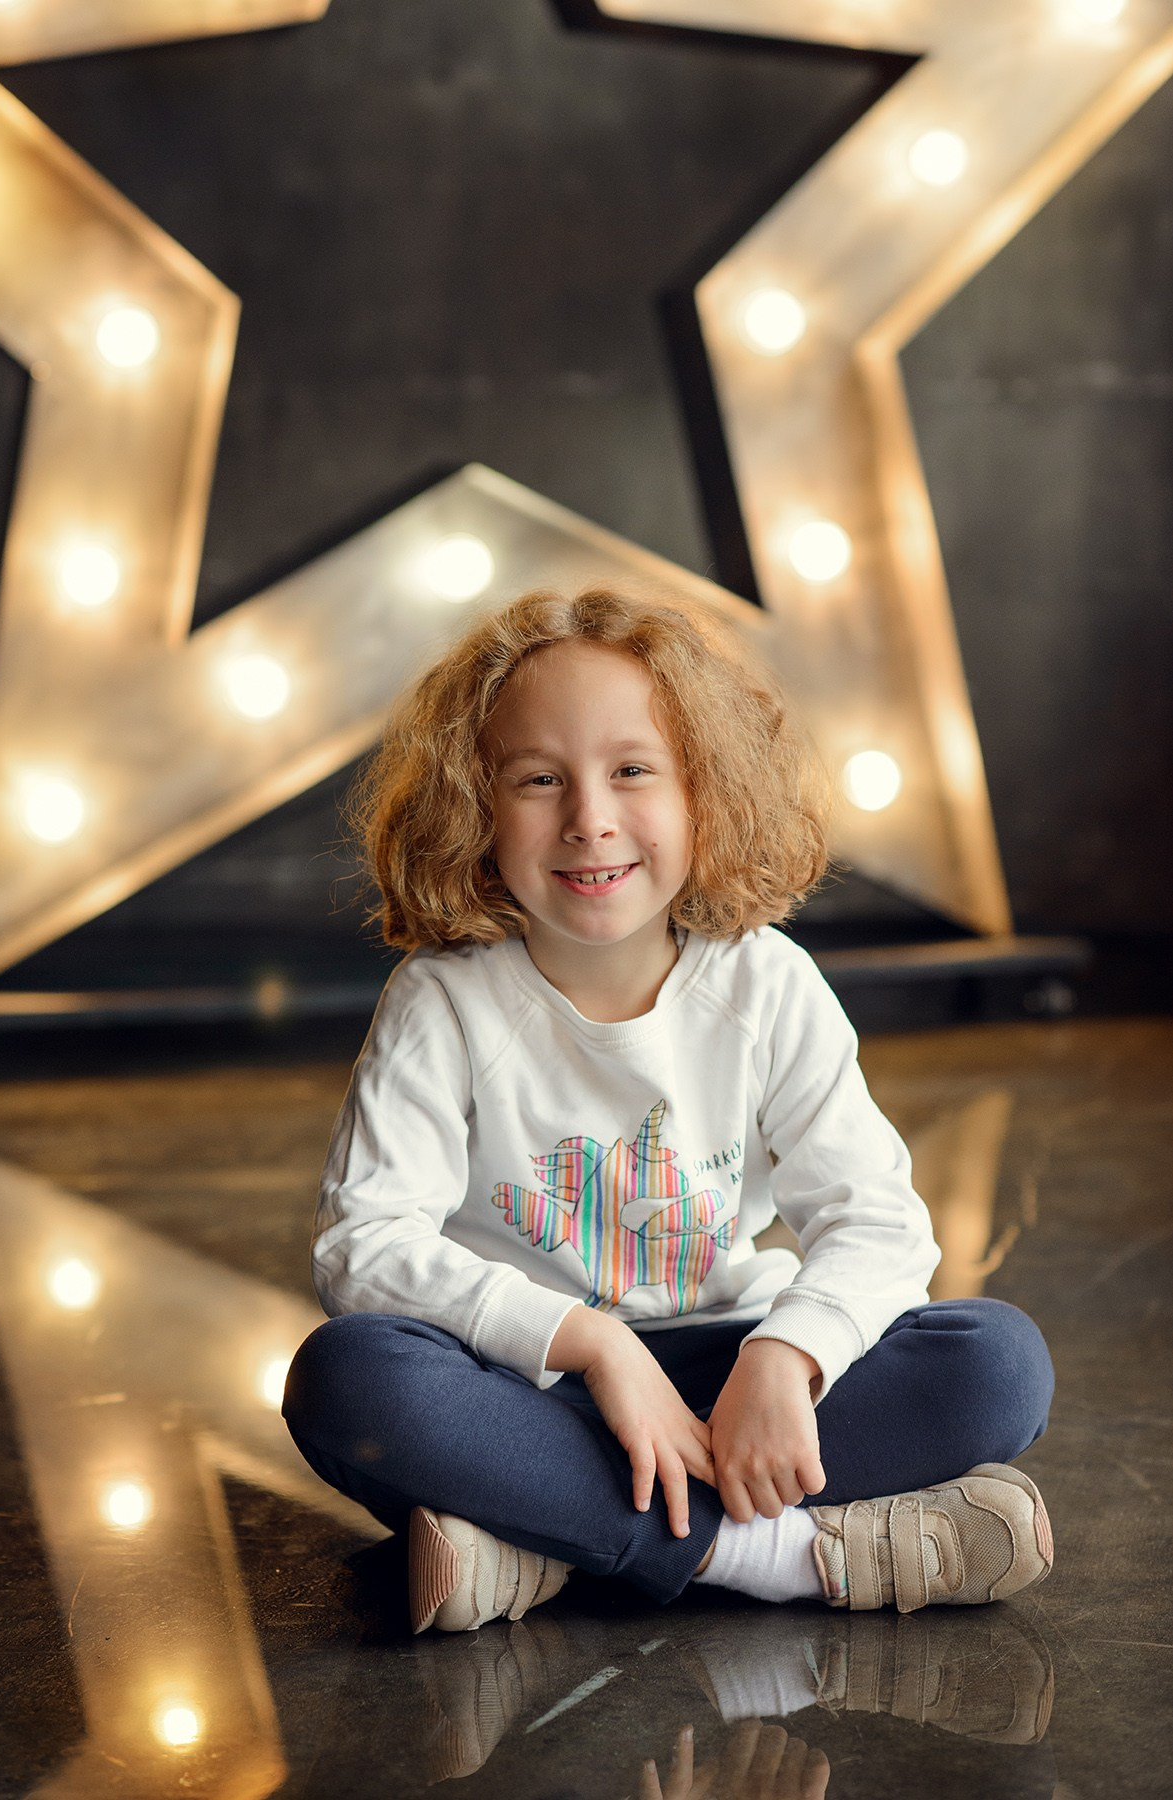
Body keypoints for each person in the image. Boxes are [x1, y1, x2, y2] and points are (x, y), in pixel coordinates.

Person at [282, 586, 1054, 1634]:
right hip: (532, 1386)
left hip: (733, 1371)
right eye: (538, 779)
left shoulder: (764, 983)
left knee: (996, 1364)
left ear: (704, 793)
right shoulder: (443, 999)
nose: (588, 819)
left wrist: (784, 1358)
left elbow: (875, 1222)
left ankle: (538, 1539)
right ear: (474, 808)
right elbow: (364, 1245)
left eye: (632, 771)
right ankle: (777, 1555)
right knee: (350, 1381)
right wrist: (597, 1348)